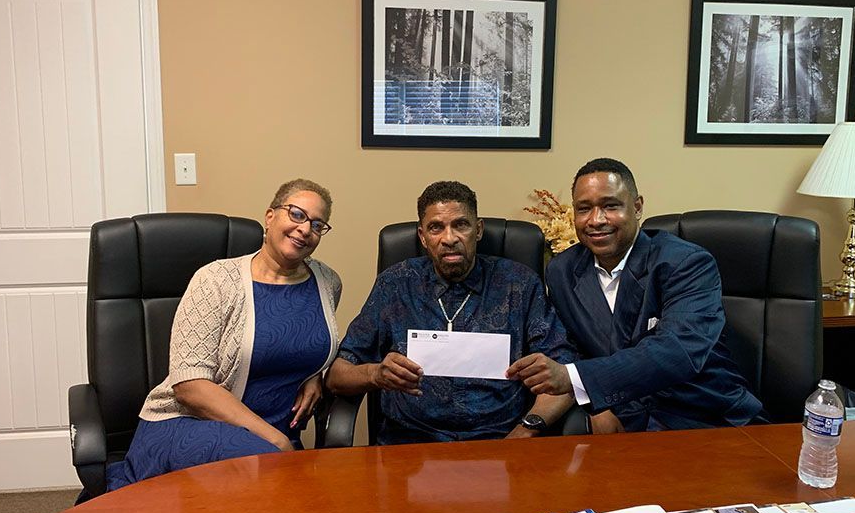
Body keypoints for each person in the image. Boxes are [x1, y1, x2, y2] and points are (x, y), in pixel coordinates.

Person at [105, 178, 341, 491]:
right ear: (270, 216)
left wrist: (315, 374)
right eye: (296, 214)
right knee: (281, 483)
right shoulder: (215, 280)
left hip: (266, 436)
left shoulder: (327, 282)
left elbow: (307, 342)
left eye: (317, 223)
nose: (304, 228)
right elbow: (190, 386)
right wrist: (275, 439)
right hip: (190, 424)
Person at [506, 158, 763, 433]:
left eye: (610, 206)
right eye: (584, 209)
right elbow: (575, 346)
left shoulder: (685, 263)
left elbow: (677, 352)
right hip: (626, 420)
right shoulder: (563, 270)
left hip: (704, 416)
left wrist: (573, 378)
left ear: (637, 207)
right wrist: (597, 405)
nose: (596, 220)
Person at [326, 180, 576, 444]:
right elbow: (337, 375)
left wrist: (524, 433)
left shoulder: (520, 284)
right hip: (410, 443)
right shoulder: (396, 283)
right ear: (422, 236)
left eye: (461, 225)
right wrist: (375, 374)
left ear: (477, 230)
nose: (449, 238)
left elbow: (564, 375)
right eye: (436, 228)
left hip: (501, 441)